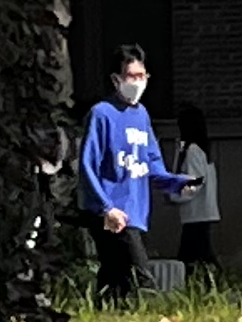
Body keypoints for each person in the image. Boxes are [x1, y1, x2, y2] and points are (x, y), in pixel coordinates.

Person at [79, 45, 191, 303]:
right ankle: (152, 317)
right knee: (141, 278)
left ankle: (105, 314)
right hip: (111, 211)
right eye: (131, 76)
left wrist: (176, 183)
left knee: (114, 276)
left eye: (142, 76)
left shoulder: (141, 115)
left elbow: (152, 164)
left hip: (135, 211)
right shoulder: (102, 114)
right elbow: (87, 164)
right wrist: (106, 208)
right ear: (116, 79)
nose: (138, 83)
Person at [169, 106, 221, 280]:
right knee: (199, 253)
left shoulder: (192, 151)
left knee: (192, 255)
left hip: (196, 213)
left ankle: (213, 281)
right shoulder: (202, 149)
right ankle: (212, 281)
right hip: (202, 212)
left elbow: (194, 182)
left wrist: (176, 196)